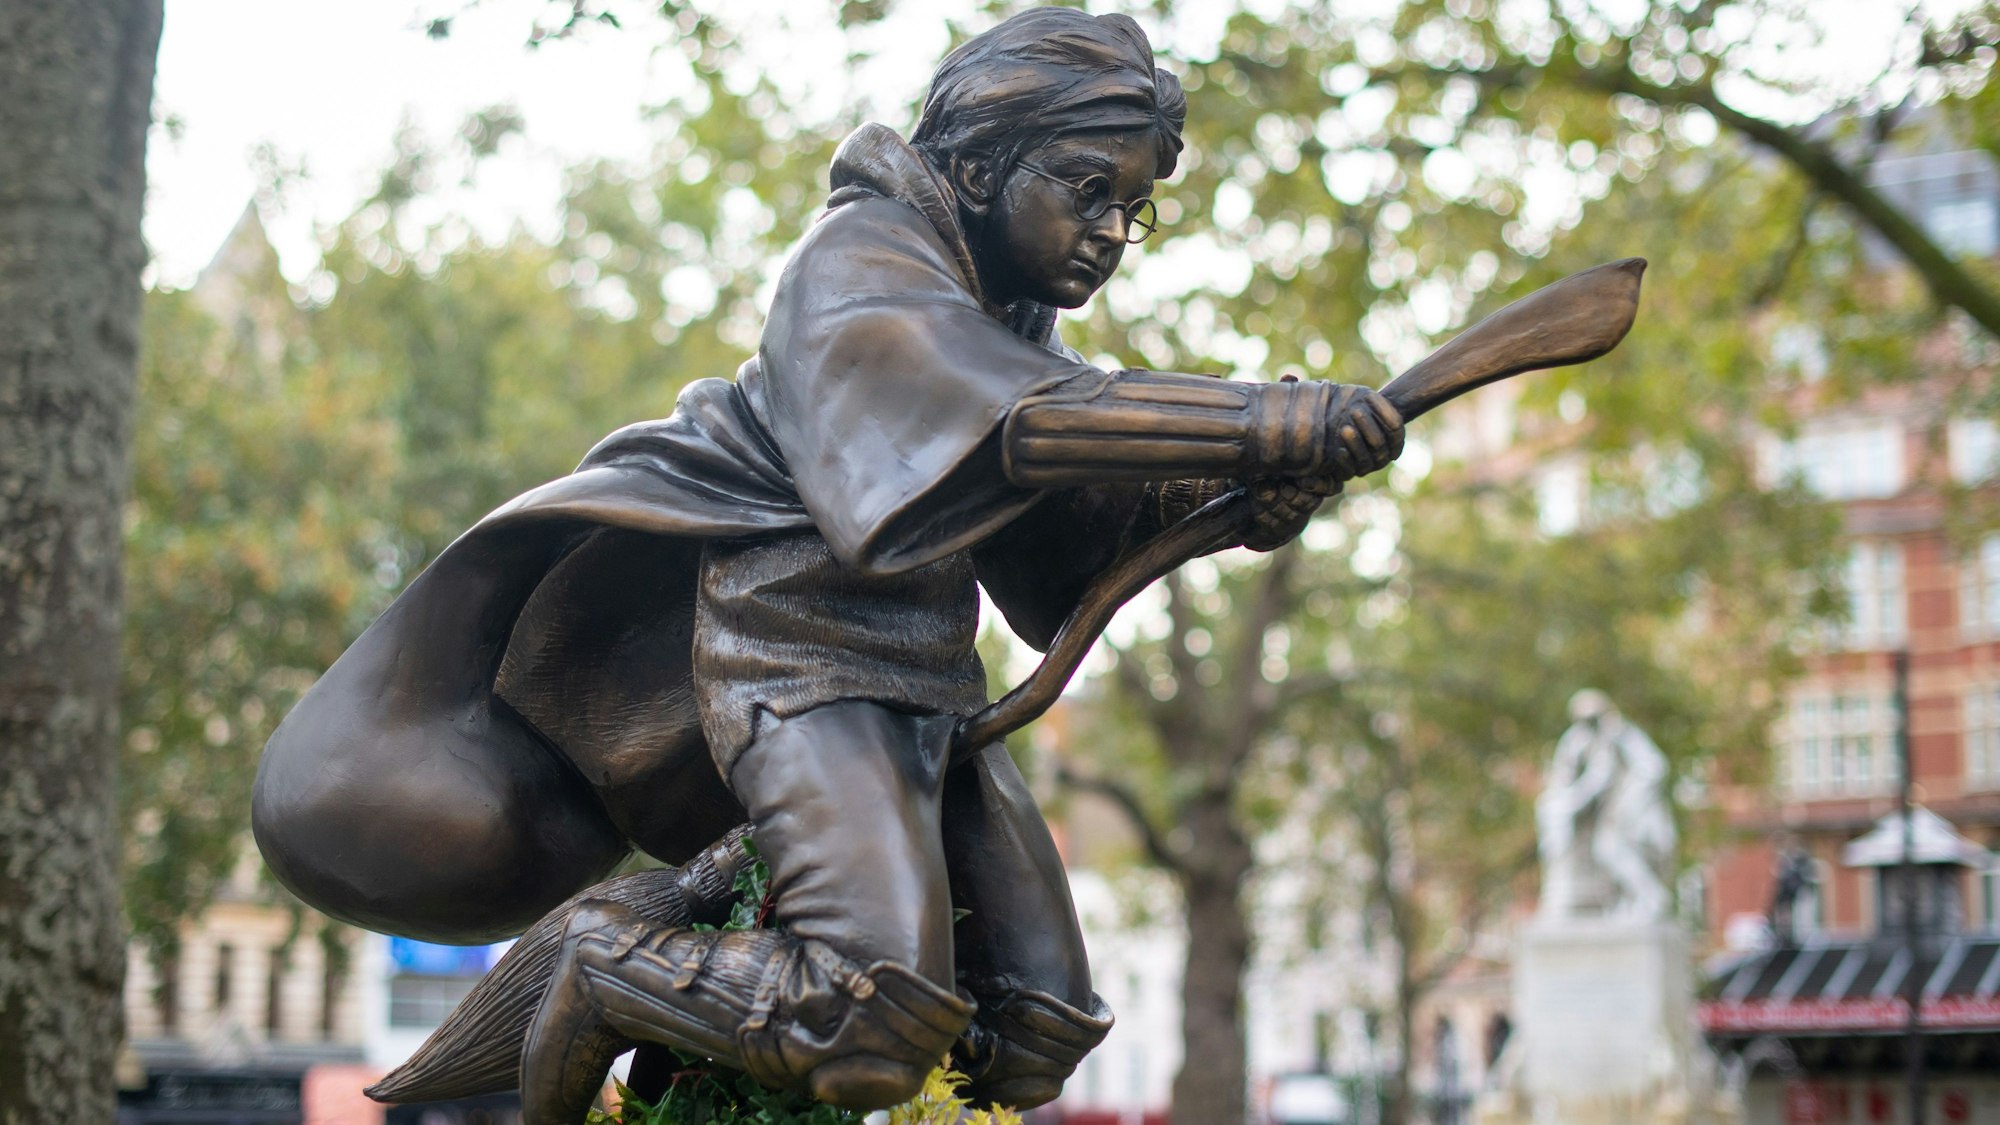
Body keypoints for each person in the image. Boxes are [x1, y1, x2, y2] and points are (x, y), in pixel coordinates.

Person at [252, 8, 1402, 1117]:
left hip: (923, 684)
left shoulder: (1011, 324)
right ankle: (609, 962)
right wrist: (1257, 419)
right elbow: (1012, 426)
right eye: (1085, 189)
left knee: (1038, 1024)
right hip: (794, 662)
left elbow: (1064, 548)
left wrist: (1248, 499)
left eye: (1133, 209)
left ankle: (713, 1059)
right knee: (865, 1018)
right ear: (977, 166)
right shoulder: (858, 260)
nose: (1108, 230)